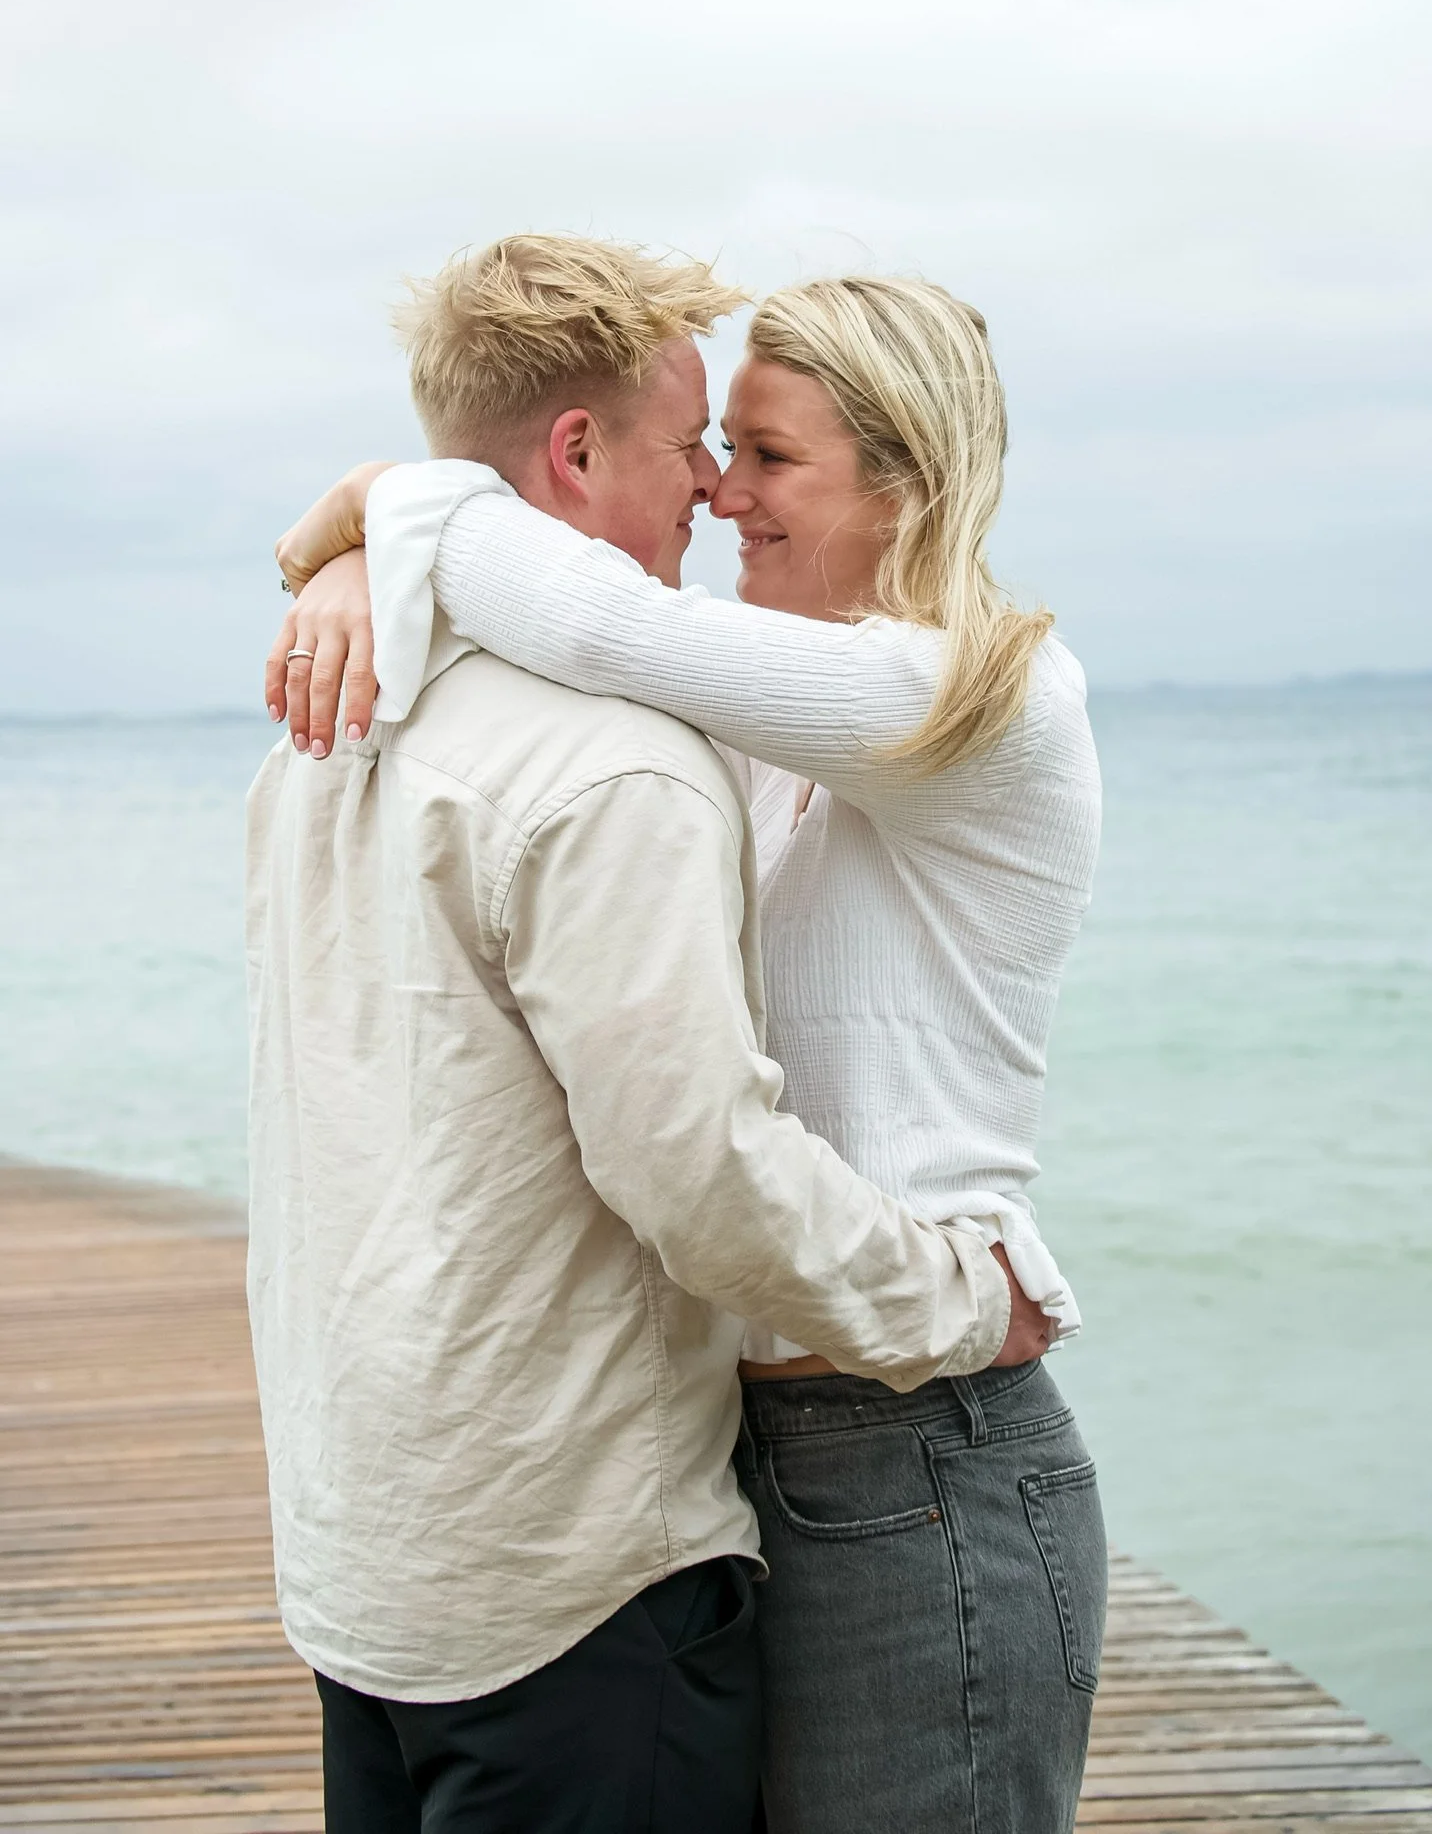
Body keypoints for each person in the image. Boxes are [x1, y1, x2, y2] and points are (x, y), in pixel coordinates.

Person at [274, 258, 1108, 1833]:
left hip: (925, 1435)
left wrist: (385, 522)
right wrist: (362, 554)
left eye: (771, 457)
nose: (723, 495)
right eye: (715, 447)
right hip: (741, 1460)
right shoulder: (758, 718)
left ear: (912, 480)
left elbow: (583, 614)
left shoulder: (977, 706)